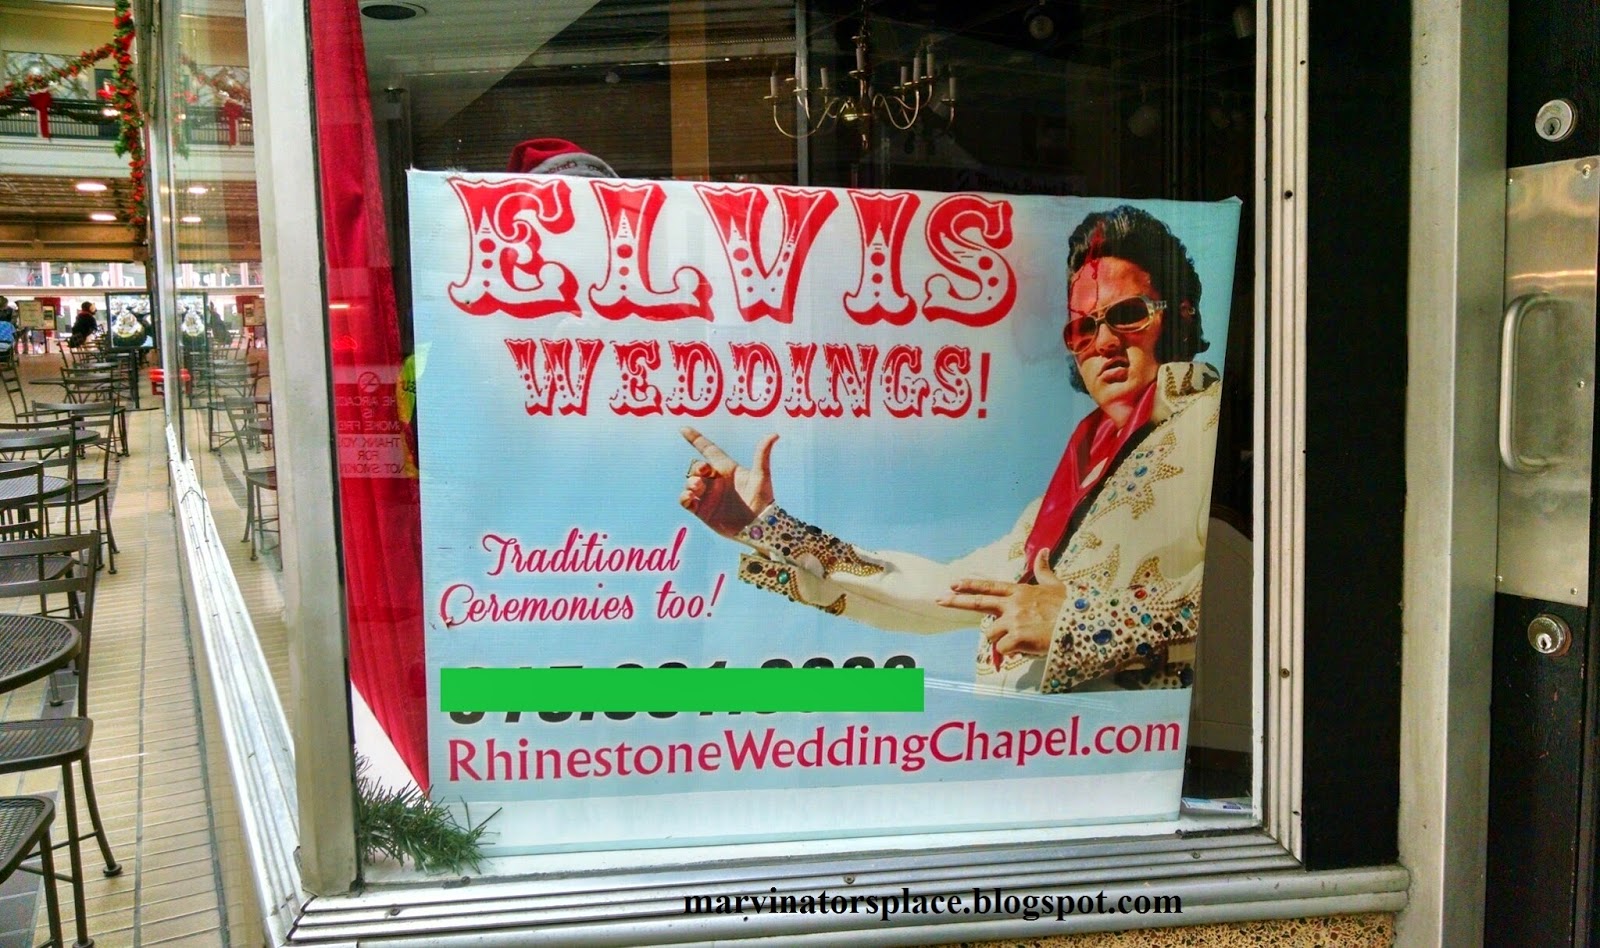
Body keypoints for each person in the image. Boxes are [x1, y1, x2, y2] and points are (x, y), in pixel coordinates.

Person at [680, 205, 1222, 694]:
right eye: (1083, 328)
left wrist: (1082, 620)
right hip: (1030, 747)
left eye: (1127, 315)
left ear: (1180, 315)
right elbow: (940, 590)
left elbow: (1252, 611)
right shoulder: (1070, 485)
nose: (1103, 342)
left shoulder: (1208, 425)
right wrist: (765, 526)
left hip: (1129, 750)